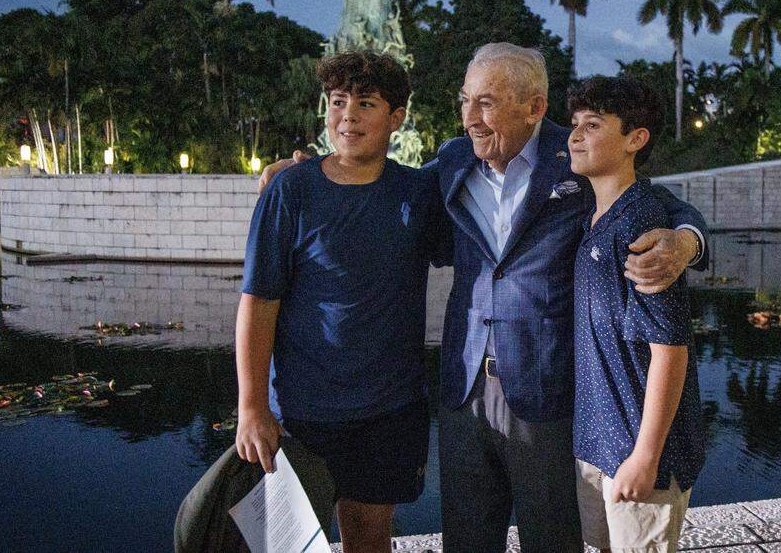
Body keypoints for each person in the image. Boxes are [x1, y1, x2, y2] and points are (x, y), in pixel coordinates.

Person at [260, 42, 707, 553]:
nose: (470, 118)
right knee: (468, 540)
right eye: (465, 100)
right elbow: (378, 177)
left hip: (547, 390)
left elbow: (659, 204)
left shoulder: (579, 156)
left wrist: (687, 240)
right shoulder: (453, 161)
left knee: (553, 539)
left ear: (534, 108)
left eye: (488, 103)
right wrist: (311, 170)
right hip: (463, 388)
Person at [235, 51, 450, 553]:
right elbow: (258, 303)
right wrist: (251, 406)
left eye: (367, 104)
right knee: (288, 542)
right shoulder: (291, 189)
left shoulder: (417, 193)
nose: (348, 115)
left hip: (390, 407)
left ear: (396, 119)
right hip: (303, 408)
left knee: (369, 538)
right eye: (338, 102)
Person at [567, 76, 704, 553]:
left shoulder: (644, 227)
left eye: (593, 124)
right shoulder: (594, 218)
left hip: (640, 450)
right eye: (575, 124)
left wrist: (645, 457)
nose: (576, 135)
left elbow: (670, 350)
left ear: (635, 138)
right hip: (596, 442)